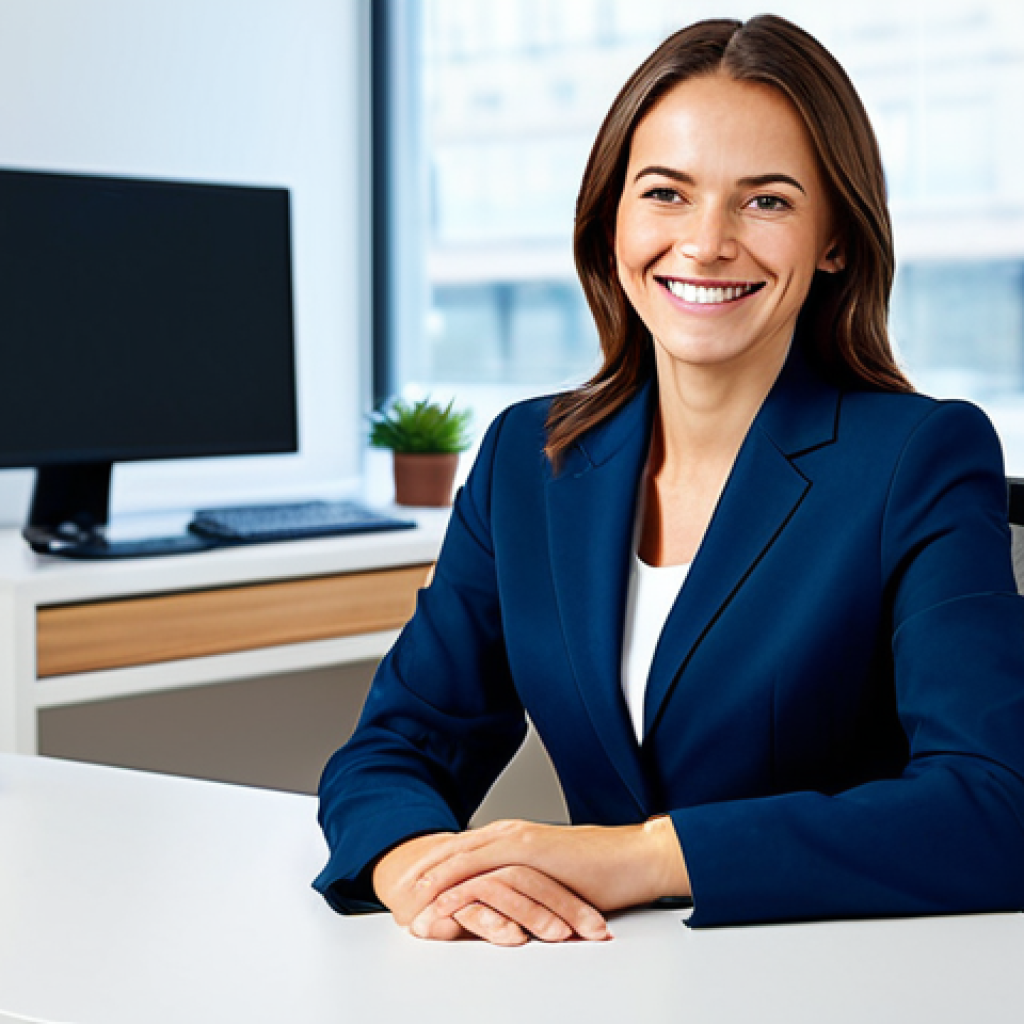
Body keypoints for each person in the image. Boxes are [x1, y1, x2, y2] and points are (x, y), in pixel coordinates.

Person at [314, 15, 1024, 944]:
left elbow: (993, 805)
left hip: (839, 975)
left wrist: (647, 857)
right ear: (614, 219)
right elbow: (396, 745)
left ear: (835, 240)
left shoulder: (919, 457)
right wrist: (415, 866)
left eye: (764, 202)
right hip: (599, 978)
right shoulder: (529, 459)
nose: (705, 243)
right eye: (666, 194)